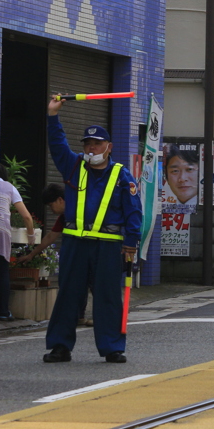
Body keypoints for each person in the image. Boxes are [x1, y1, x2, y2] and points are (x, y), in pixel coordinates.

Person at [43, 97, 142, 364]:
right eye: (87, 143)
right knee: (68, 295)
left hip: (109, 246)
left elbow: (134, 212)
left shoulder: (122, 176)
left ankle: (112, 347)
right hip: (75, 242)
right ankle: (60, 346)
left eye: (97, 144)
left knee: (108, 296)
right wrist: (53, 116)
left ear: (108, 147)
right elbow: (56, 144)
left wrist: (131, 244)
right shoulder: (73, 165)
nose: (91, 147)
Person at [18, 184, 91, 326]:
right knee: (81, 284)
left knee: (94, 284)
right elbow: (51, 236)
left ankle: (108, 320)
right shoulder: (65, 217)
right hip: (78, 255)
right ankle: (79, 316)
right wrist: (31, 254)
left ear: (60, 200)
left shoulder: (82, 208)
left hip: (93, 253)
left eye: (51, 205)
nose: (51, 210)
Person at [0, 163, 35, 321]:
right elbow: (26, 216)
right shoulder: (9, 187)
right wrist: (31, 237)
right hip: (1, 232)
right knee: (3, 272)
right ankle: (4, 313)